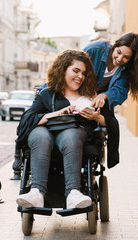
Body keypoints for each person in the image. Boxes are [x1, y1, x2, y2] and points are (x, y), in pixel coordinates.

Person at [15, 50, 117, 209]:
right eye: (75, 71)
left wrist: (96, 117)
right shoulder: (47, 94)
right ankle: (36, 193)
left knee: (71, 134)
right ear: (62, 69)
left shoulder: (91, 97)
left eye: (83, 73)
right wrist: (57, 113)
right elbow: (26, 120)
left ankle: (73, 193)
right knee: (39, 134)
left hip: (74, 138)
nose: (80, 76)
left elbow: (111, 122)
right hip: (45, 137)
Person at [83, 32, 138, 110]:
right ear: (115, 46)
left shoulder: (127, 67)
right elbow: (73, 69)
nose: (120, 59)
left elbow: (120, 92)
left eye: (126, 57)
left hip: (100, 103)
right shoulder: (94, 50)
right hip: (78, 96)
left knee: (111, 122)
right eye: (118, 52)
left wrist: (104, 95)